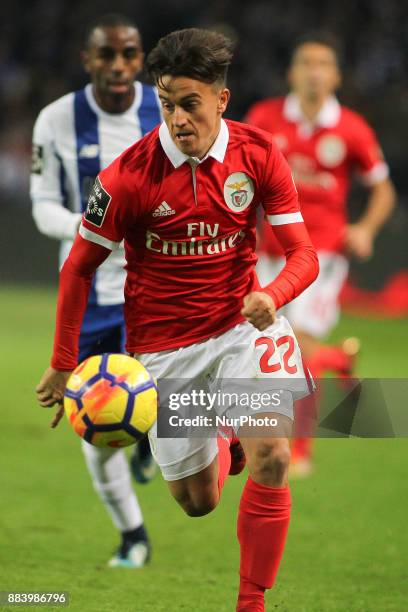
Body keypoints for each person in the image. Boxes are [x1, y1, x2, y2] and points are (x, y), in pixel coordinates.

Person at [35, 28, 319, 611]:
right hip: (165, 350)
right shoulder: (126, 177)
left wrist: (275, 293)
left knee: (274, 454)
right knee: (198, 501)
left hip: (244, 330)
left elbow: (303, 254)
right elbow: (77, 270)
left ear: (221, 99)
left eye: (191, 103)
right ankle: (221, 431)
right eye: (167, 104)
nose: (178, 118)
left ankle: (250, 600)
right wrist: (64, 364)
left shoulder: (258, 154)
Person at [30, 13, 162, 567]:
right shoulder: (57, 119)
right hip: (86, 294)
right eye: (106, 55)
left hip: (155, 289)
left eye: (128, 55)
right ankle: (134, 536)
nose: (118, 66)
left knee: (183, 402)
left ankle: (155, 440)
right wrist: (94, 230)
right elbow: (43, 207)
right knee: (95, 423)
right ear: (87, 60)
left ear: (140, 60)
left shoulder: (165, 111)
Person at [245, 32, 396, 476]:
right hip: (271, 250)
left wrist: (365, 229)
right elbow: (242, 177)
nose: (314, 71)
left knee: (300, 346)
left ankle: (303, 452)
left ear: (334, 75)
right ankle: (339, 358)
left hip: (321, 253)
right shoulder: (265, 116)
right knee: (268, 345)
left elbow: (383, 189)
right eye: (306, 63)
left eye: (323, 64)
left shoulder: (351, 128)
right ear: (292, 72)